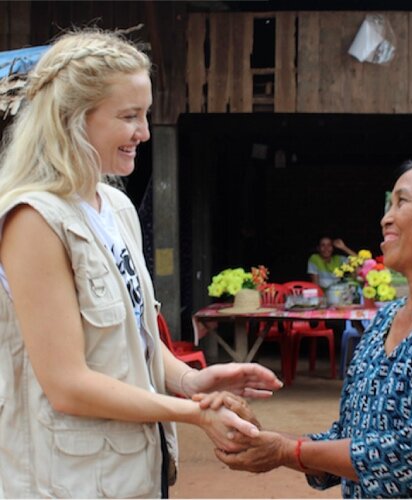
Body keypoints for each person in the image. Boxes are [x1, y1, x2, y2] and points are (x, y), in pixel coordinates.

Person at [0, 29, 282, 499]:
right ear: (72, 119)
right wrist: (193, 413)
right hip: (62, 483)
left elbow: (134, 337)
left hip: (132, 474)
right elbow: (68, 385)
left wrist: (190, 379)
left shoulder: (115, 207)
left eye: (145, 114)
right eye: (129, 116)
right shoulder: (34, 221)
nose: (145, 133)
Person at [211, 156, 412, 498]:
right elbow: (353, 436)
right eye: (388, 204)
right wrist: (266, 442)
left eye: (401, 202)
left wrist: (288, 451)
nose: (385, 219)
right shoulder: (385, 320)